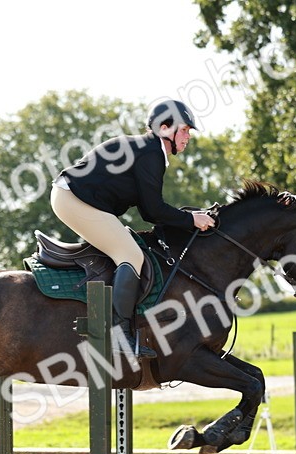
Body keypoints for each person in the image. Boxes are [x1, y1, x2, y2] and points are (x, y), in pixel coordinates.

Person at [51, 98, 216, 358]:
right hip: (73, 199)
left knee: (127, 249)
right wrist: (190, 220)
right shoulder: (151, 153)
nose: (187, 137)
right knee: (131, 255)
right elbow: (152, 211)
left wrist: (187, 216)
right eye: (184, 130)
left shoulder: (148, 150)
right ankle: (118, 335)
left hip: (74, 197)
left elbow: (150, 208)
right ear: (164, 128)